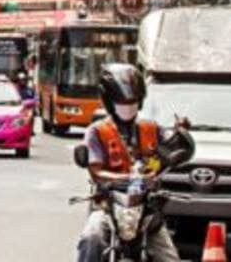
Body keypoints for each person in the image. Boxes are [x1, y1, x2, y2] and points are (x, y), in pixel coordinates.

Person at [75, 64, 180, 262]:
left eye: (132, 101)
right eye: (122, 102)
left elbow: (172, 148)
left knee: (168, 256)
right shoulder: (97, 131)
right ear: (109, 101)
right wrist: (128, 178)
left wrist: (179, 134)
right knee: (92, 239)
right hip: (107, 207)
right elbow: (95, 171)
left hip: (146, 210)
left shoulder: (152, 128)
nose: (128, 106)